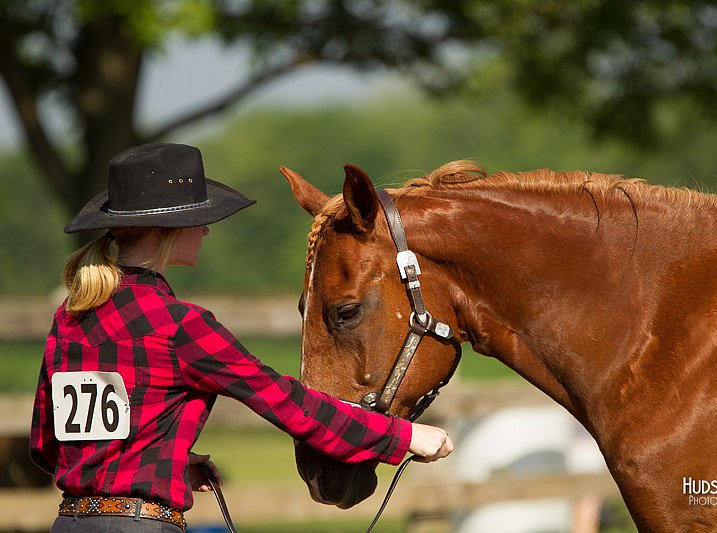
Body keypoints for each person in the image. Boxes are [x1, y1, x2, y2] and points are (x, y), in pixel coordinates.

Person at [30, 142, 454, 532]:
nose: (207, 231)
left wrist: (160, 461)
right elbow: (288, 403)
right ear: (165, 230)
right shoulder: (180, 326)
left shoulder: (68, 318)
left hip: (70, 522)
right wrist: (402, 436)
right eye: (199, 221)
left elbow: (49, 447)